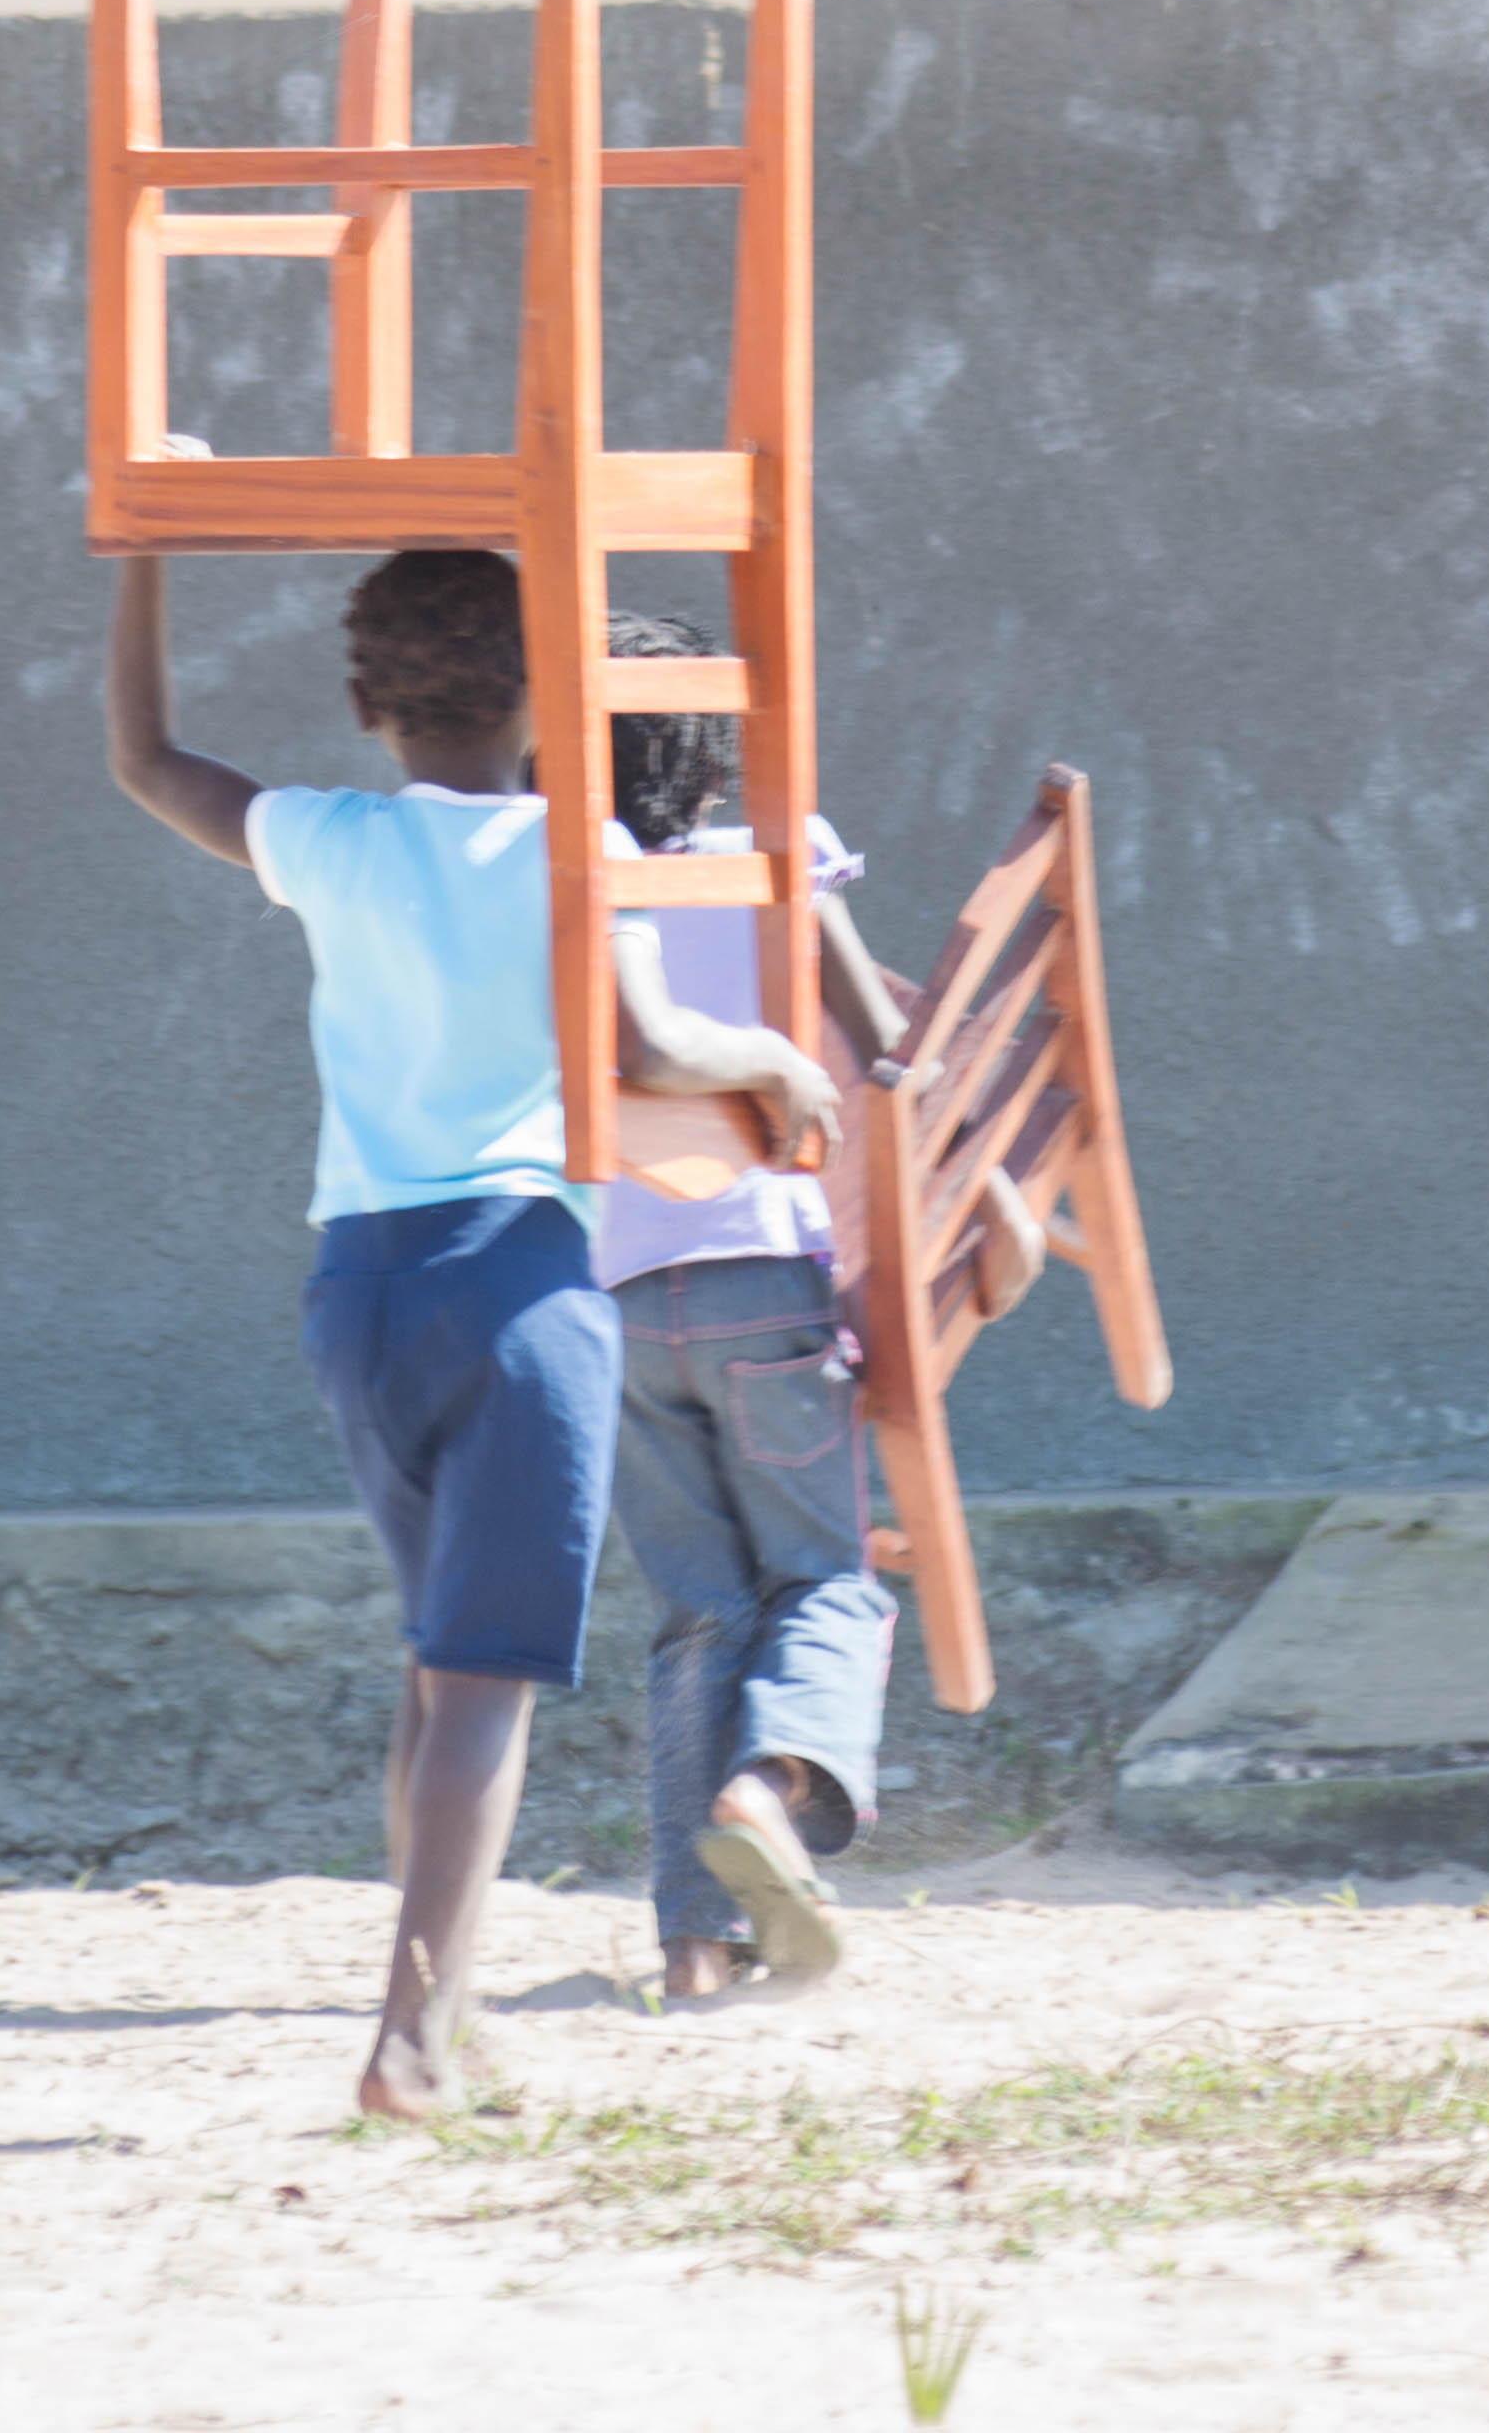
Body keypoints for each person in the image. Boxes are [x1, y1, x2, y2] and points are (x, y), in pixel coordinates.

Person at [103, 502, 837, 2121]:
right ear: (548, 701)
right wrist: (779, 1064)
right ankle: (409, 2046)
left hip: (357, 1285)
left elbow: (150, 760)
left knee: (441, 1673)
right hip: (517, 1284)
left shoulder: (334, 841)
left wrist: (148, 556)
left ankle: (445, 2015)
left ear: (370, 702)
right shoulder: (577, 857)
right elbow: (654, 1049)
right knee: (484, 1689)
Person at [589, 606, 916, 2001]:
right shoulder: (774, 854)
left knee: (701, 1613)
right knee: (829, 1575)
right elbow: (885, 1039)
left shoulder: (565, 882)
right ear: (718, 764)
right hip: (763, 1280)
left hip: (613, 1297)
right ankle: (772, 1792)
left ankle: (689, 1946)